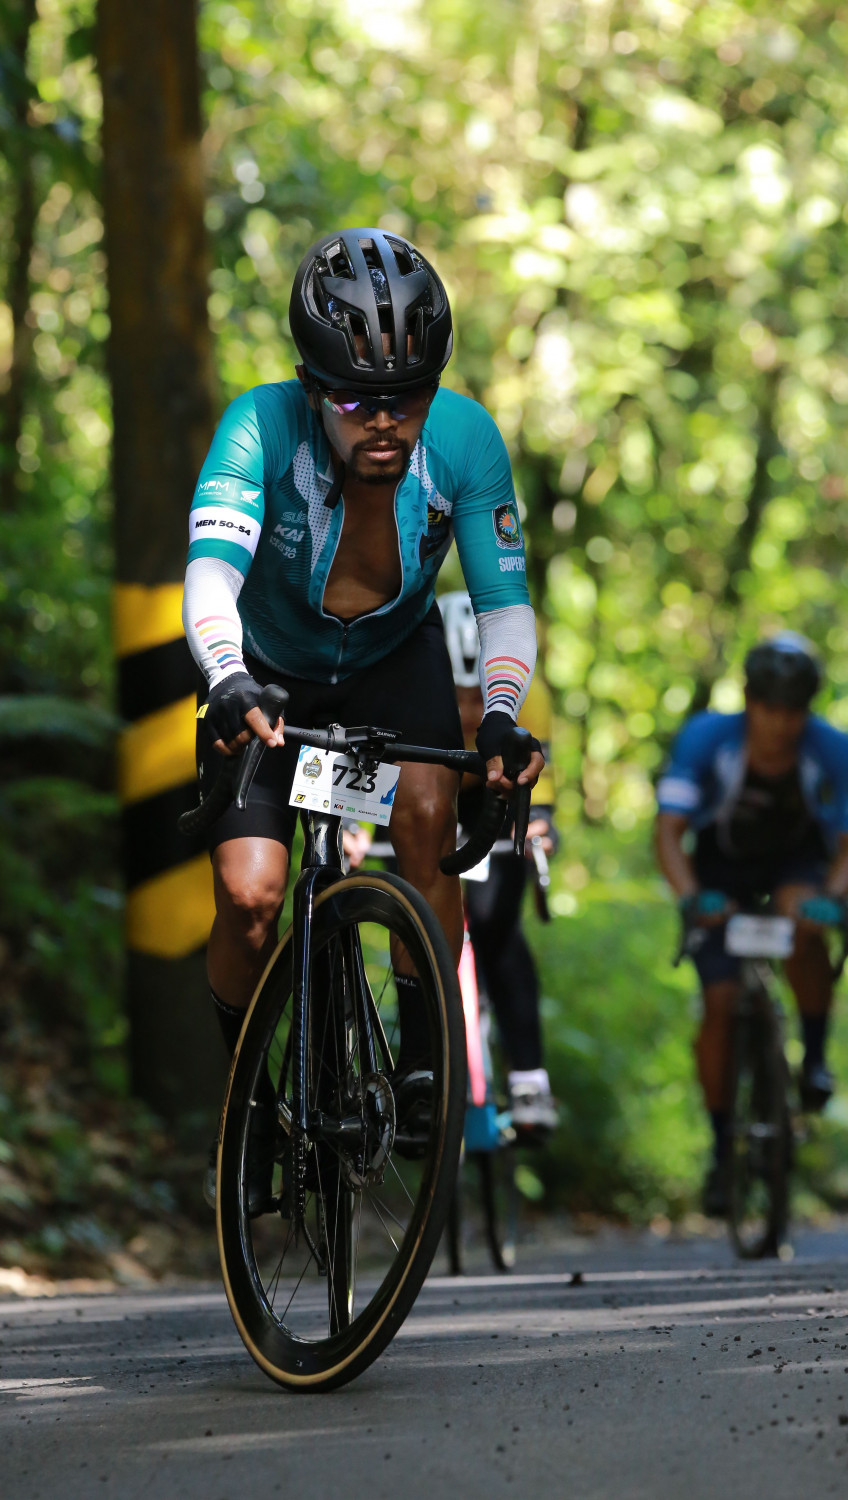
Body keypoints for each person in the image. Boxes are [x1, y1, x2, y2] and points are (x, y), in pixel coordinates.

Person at [182, 228, 544, 1208]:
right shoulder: (258, 428)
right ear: (312, 387)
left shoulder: (464, 441)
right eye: (354, 402)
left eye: (408, 399)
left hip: (391, 659)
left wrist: (499, 716)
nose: (384, 423)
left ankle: (424, 1062)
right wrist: (226, 676)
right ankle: (251, 1105)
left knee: (428, 821)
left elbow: (503, 603)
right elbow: (211, 573)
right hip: (265, 668)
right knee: (251, 897)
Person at [655, 634, 848, 1215]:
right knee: (719, 1002)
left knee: (804, 923)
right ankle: (721, 1151)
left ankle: (814, 1057)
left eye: (794, 711)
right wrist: (692, 897)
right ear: (749, 702)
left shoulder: (831, 749)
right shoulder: (707, 738)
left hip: (796, 864)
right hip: (720, 868)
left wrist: (832, 899)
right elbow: (669, 832)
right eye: (770, 709)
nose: (781, 725)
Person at [436, 590, 558, 1136]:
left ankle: (529, 1077)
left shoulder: (528, 694)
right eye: (457, 695)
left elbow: (540, 786)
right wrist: (359, 834)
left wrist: (539, 826)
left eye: (477, 694)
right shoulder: (412, 691)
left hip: (502, 792)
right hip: (436, 787)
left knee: (496, 926)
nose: (468, 709)